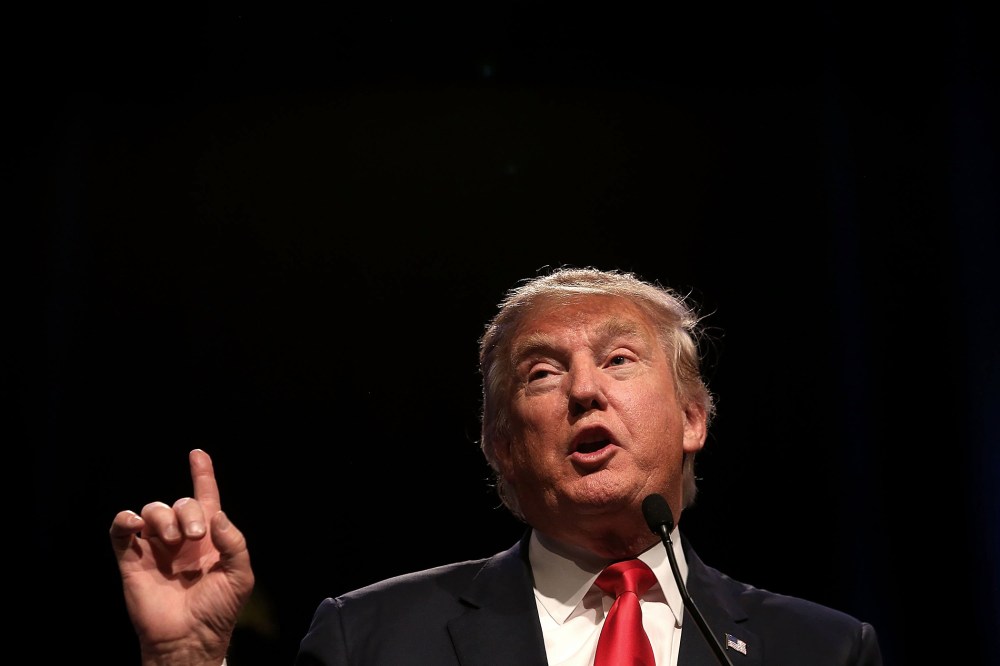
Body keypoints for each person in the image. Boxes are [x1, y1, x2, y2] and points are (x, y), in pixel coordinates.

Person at [110, 266, 883, 665]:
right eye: (542, 373)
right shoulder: (374, 638)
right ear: (500, 445)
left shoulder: (819, 650)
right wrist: (184, 660)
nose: (584, 389)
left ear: (692, 418)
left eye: (618, 358)